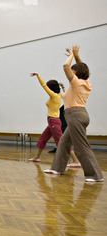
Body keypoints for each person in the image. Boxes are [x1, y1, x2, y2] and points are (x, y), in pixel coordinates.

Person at [44, 45, 103, 182]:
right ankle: (57, 168)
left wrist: (71, 55)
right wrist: (76, 56)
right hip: (79, 115)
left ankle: (95, 175)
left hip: (75, 115)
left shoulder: (76, 82)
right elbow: (82, 67)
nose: (71, 70)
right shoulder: (86, 82)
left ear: (75, 72)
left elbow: (65, 66)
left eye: (73, 69)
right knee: (64, 142)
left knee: (81, 145)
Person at [28, 73, 80, 166]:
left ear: (51, 88)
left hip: (53, 121)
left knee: (61, 142)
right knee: (43, 139)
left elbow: (43, 85)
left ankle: (76, 161)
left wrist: (38, 75)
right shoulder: (59, 95)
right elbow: (61, 90)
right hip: (52, 121)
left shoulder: (53, 95)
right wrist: (60, 85)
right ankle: (37, 157)